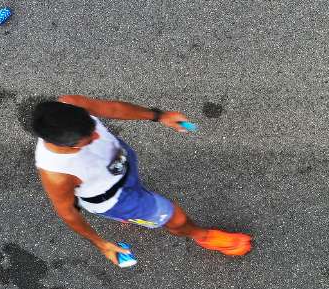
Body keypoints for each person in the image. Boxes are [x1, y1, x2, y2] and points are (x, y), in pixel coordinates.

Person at [30, 95, 251, 265]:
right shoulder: (57, 174)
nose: (97, 135)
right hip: (116, 198)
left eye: (92, 127)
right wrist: (102, 244)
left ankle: (129, 217)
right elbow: (68, 213)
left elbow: (114, 109)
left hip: (122, 165)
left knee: (140, 188)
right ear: (69, 147)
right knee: (175, 217)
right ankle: (202, 236)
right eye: (88, 139)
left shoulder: (69, 104)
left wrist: (159, 116)